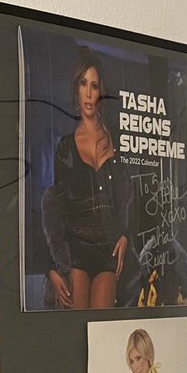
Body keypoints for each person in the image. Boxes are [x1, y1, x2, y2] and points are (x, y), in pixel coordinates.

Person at [43, 46, 132, 310]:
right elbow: (54, 211)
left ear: (101, 90)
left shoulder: (117, 139)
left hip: (108, 248)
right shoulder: (66, 146)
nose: (89, 93)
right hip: (76, 250)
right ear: (76, 89)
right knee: (76, 327)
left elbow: (127, 197)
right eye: (83, 84)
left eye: (94, 85)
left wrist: (125, 235)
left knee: (102, 327)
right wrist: (52, 268)